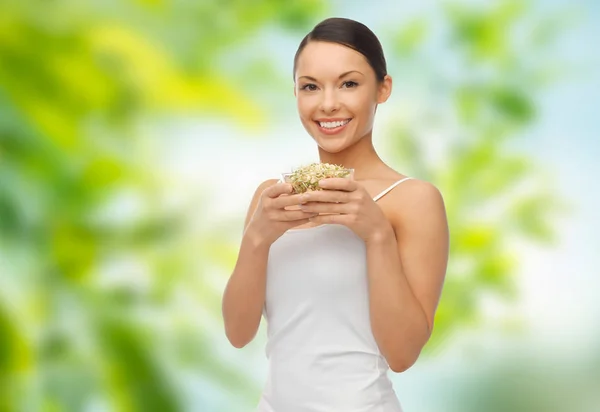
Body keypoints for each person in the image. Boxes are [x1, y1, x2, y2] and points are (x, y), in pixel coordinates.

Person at [221, 17, 449, 412]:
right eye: (310, 86)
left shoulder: (414, 200)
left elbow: (403, 354)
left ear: (382, 88)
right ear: (295, 94)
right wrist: (258, 237)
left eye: (349, 83)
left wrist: (376, 233)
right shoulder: (271, 199)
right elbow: (239, 333)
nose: (328, 103)